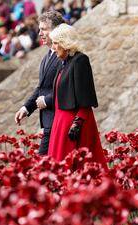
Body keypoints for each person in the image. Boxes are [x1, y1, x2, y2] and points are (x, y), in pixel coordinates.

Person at [47, 23, 108, 170]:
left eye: (55, 43)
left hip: (74, 124)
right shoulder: (64, 63)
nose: (53, 47)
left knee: (77, 169)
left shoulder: (80, 61)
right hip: (60, 122)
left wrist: (77, 123)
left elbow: (86, 98)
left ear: (65, 43)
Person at [14, 11, 64, 155]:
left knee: (43, 168)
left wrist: (47, 100)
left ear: (55, 31)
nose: (40, 33)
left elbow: (66, 88)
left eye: (43, 29)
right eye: (39, 29)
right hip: (50, 123)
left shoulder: (64, 55)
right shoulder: (47, 56)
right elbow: (42, 87)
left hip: (58, 121)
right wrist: (26, 108)